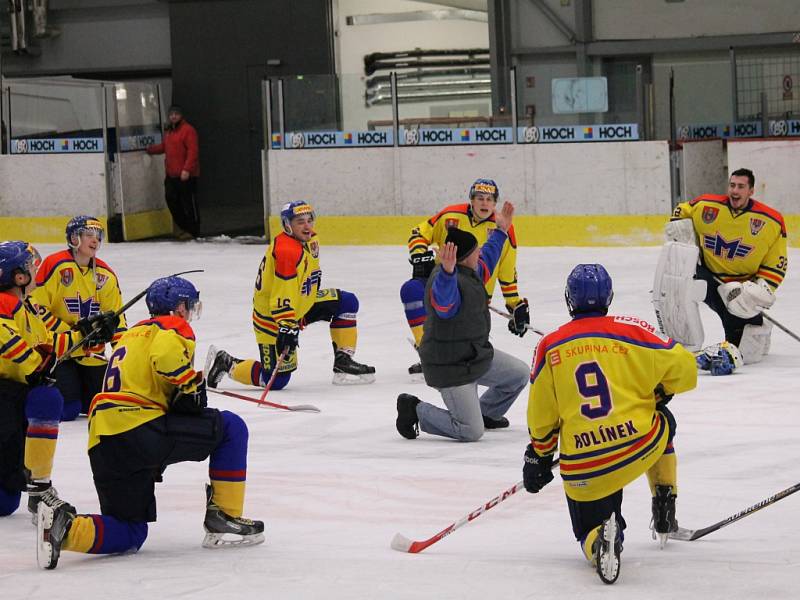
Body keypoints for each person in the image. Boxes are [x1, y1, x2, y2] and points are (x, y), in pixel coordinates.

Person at [35, 276, 264, 570]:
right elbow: (165, 358)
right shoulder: (173, 326)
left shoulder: (129, 335)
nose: (190, 313)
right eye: (189, 306)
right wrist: (191, 384)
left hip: (103, 439)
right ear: (178, 308)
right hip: (139, 427)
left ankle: (65, 529)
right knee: (232, 427)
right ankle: (225, 518)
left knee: (130, 530)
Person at [523, 264, 697, 584]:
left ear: (568, 299)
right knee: (662, 421)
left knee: (587, 525)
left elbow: (541, 415)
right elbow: (686, 367)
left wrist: (540, 454)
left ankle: (600, 540)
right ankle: (664, 500)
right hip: (637, 447)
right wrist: (659, 392)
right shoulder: (634, 330)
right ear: (610, 297)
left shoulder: (550, 345)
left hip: (584, 465)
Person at [395, 202, 530, 442]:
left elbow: (490, 252)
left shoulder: (474, 270)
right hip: (450, 365)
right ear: (463, 258)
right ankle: (415, 409)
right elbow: (445, 307)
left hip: (474, 355)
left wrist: (501, 230)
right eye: (475, 252)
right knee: (470, 431)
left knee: (518, 374)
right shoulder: (443, 281)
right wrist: (446, 273)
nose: (480, 254)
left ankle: (486, 413)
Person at [205, 201, 375, 390]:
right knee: (277, 381)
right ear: (287, 225)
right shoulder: (286, 252)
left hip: (301, 304)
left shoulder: (310, 240)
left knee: (346, 302)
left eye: (310, 220)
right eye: (300, 221)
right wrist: (287, 325)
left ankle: (343, 361)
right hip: (272, 317)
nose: (307, 226)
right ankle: (227, 363)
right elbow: (281, 296)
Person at [0, 241, 109, 523]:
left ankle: (36, 487)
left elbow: (47, 344)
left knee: (5, 501)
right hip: (4, 394)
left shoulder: (27, 308)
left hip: (13, 392)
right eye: (32, 267)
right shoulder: (3, 304)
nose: (38, 271)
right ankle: (38, 486)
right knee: (48, 398)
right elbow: (6, 338)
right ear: (19, 277)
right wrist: (35, 364)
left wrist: (85, 337)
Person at [654, 168, 787, 365]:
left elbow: (777, 264)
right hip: (708, 276)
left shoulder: (772, 221)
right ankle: (682, 344)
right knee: (677, 287)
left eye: (741, 186)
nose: (735, 190)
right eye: (732, 185)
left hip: (738, 291)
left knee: (740, 352)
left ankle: (758, 326)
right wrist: (680, 227)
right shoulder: (706, 205)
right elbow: (681, 210)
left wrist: (756, 293)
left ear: (751, 190)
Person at [400, 179, 530, 378]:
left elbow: (506, 269)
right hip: (445, 284)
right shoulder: (450, 216)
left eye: (489, 199)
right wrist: (419, 255)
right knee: (411, 290)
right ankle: (426, 351)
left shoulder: (502, 226)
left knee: (464, 346)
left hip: (475, 294)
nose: (484, 203)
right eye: (480, 198)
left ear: (495, 204)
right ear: (471, 200)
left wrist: (514, 304)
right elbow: (419, 233)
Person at [32, 216, 126, 421]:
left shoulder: (105, 275)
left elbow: (117, 319)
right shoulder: (55, 265)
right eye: (89, 235)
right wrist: (72, 332)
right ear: (74, 238)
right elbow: (35, 308)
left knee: (101, 406)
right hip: (60, 351)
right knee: (68, 410)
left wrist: (123, 355)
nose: (95, 241)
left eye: (98, 236)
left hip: (91, 353)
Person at [146, 104, 200, 239]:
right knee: (171, 200)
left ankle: (193, 231)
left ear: (181, 115)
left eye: (176, 114)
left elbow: (193, 152)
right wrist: (149, 149)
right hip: (171, 174)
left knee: (188, 203)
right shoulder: (170, 132)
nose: (173, 116)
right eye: (171, 114)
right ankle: (184, 227)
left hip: (186, 175)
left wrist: (187, 169)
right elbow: (164, 147)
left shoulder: (188, 130)